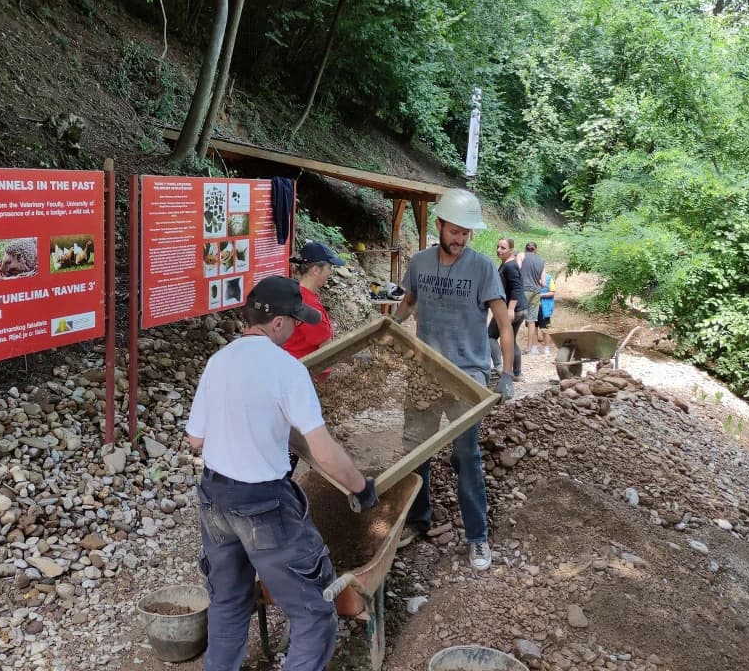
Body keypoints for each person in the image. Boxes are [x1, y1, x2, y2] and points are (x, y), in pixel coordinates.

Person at [186, 276, 378, 671]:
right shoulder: (287, 369)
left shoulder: (218, 361)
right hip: (264, 506)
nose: (296, 329)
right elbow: (323, 450)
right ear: (277, 323)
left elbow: (195, 439)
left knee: (228, 602)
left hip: (215, 499)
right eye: (295, 321)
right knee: (312, 613)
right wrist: (360, 486)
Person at [392, 188, 514, 571]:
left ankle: (477, 537)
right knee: (416, 450)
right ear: (440, 225)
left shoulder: (482, 268)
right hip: (425, 370)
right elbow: (409, 302)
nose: (460, 238)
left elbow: (504, 323)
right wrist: (386, 329)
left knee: (466, 455)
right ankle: (418, 519)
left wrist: (506, 373)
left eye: (467, 233)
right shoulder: (420, 263)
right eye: (455, 230)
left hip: (467, 375)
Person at [283, 241, 346, 360]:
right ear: (316, 270)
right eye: (329, 267)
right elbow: (327, 350)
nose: (330, 272)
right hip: (306, 371)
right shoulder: (309, 305)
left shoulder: (294, 292)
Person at [489, 237, 527, 379]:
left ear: (511, 250)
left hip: (513, 309)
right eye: (498, 247)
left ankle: (499, 366)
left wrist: (510, 309)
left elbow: (516, 287)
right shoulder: (507, 264)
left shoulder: (510, 266)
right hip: (521, 308)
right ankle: (517, 373)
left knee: (490, 336)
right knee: (511, 339)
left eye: (503, 248)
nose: (499, 250)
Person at [520, 241, 547, 354]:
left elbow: (517, 269)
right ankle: (529, 348)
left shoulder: (522, 256)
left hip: (523, 289)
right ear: (536, 250)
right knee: (531, 320)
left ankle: (509, 345)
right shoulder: (541, 261)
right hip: (536, 292)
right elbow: (544, 282)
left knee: (515, 317)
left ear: (526, 249)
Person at [535, 272, 556, 355]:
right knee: (534, 327)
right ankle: (534, 347)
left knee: (546, 329)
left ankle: (546, 348)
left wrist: (541, 295)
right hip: (533, 306)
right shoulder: (532, 275)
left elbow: (552, 292)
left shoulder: (548, 278)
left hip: (544, 308)